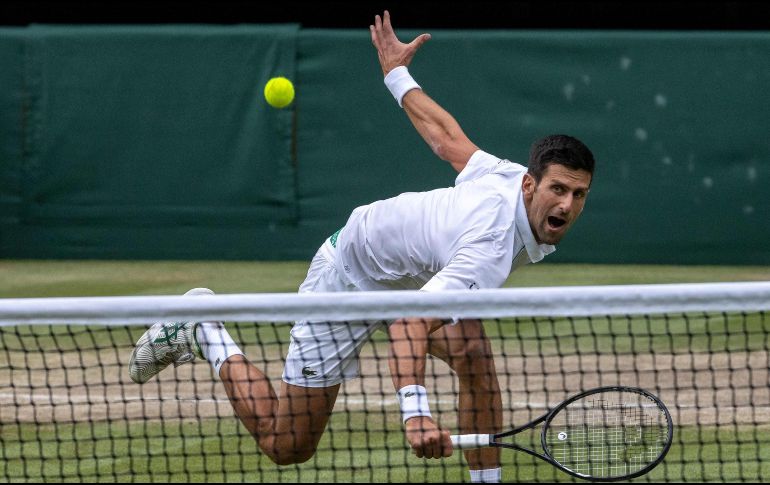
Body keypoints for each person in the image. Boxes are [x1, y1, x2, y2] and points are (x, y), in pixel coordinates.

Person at [128, 10, 594, 484]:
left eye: (578, 194)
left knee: (472, 352)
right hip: (348, 278)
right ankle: (204, 329)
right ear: (530, 184)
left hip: (406, 275)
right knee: (287, 446)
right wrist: (416, 415)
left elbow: (446, 138)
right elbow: (409, 325)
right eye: (558, 189)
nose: (566, 204)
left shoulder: (509, 178)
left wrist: (396, 74)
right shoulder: (490, 247)